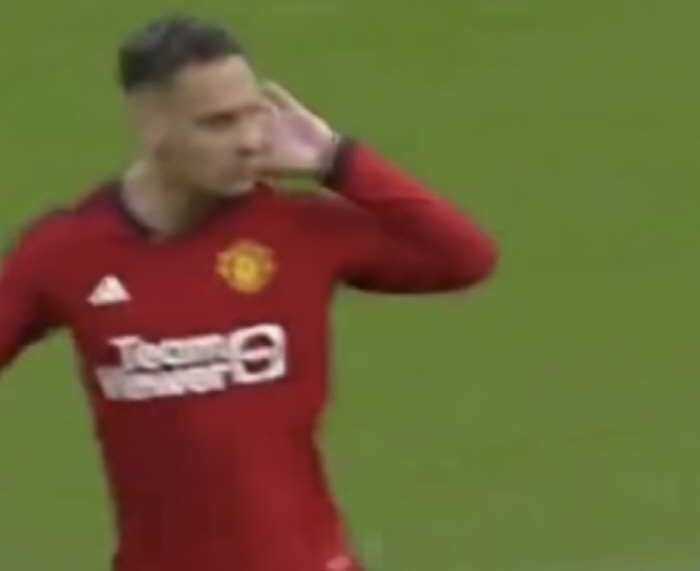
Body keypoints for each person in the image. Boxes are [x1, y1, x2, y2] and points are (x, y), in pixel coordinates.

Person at [0, 14, 498, 571]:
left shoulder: (296, 231)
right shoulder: (68, 252)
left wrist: (336, 160)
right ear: (150, 124)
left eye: (252, 113)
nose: (249, 141)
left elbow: (464, 258)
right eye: (219, 123)